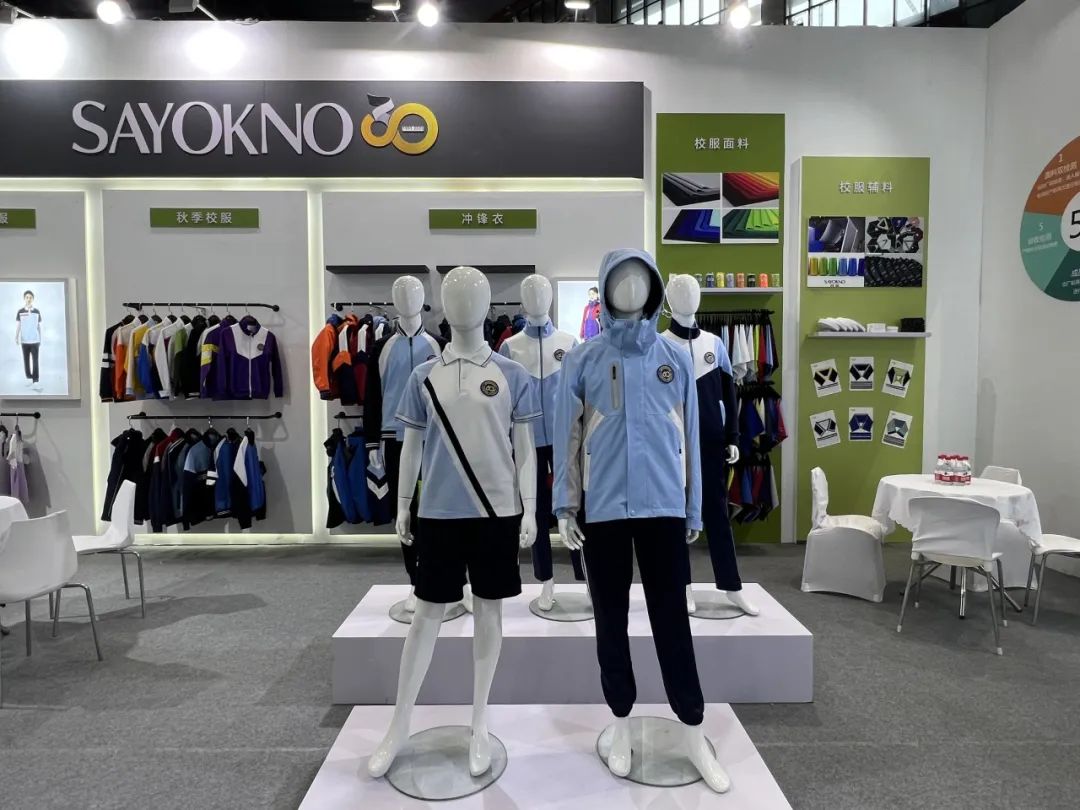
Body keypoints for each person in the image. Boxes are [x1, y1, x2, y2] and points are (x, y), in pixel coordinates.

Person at [15, 290, 42, 390]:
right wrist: (16, 336)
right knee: (26, 360)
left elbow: (38, 326)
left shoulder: (36, 311)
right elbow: (19, 325)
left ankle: (35, 381)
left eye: (30, 297)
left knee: (35, 361)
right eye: (27, 297)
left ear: (33, 299)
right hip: (24, 341)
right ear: (24, 299)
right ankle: (29, 377)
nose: (29, 299)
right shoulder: (20, 311)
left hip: (35, 341)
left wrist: (40, 338)